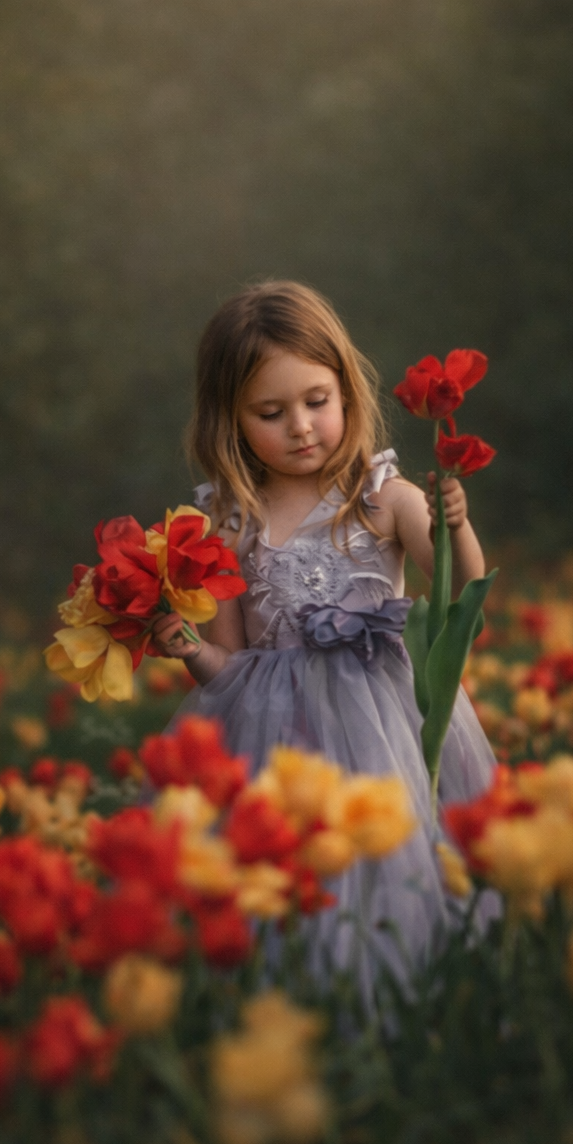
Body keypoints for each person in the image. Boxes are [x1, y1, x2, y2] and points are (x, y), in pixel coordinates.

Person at [151, 280, 499, 992]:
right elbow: (232, 667)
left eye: (317, 401)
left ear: (346, 391)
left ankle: (416, 987)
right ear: (232, 420)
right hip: (280, 737)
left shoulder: (384, 498)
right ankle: (312, 991)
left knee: (395, 852)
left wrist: (455, 524)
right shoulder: (230, 522)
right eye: (271, 413)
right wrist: (190, 649)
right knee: (297, 872)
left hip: (389, 724)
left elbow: (461, 596)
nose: (302, 427)